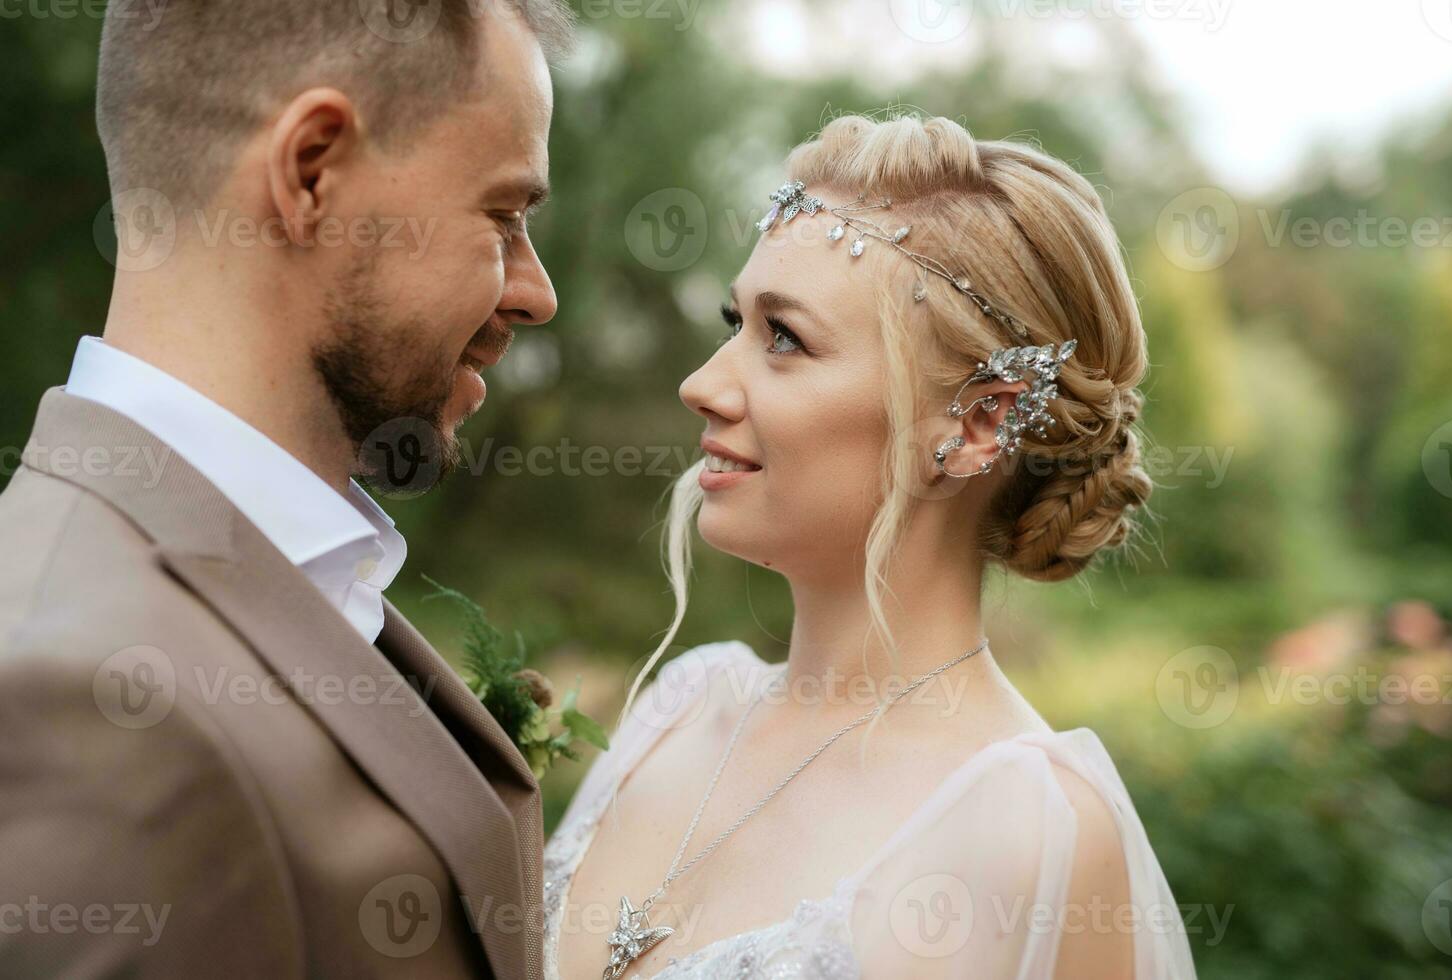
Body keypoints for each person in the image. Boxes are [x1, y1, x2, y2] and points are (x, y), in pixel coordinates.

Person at [544, 113, 1197, 979]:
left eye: (785, 338)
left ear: (978, 421)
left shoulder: (1031, 826)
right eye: (731, 322)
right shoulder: (680, 710)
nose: (701, 384)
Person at [0, 1, 571, 976]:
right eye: (503, 215)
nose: (535, 290)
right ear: (311, 170)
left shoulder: (291, 573)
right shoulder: (74, 697)